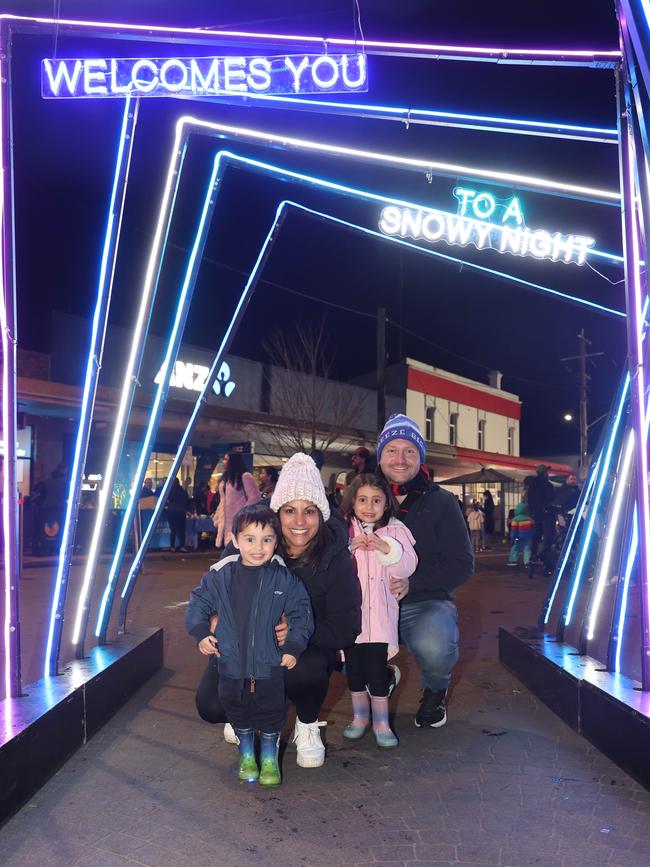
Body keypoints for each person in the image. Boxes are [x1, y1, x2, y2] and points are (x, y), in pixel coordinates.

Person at [194, 452, 360, 769]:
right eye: (289, 511)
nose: (299, 522)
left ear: (321, 514)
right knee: (211, 706)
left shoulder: (335, 556)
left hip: (306, 650)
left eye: (309, 511)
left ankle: (307, 723)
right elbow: (210, 595)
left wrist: (298, 629)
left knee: (306, 669)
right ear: (276, 513)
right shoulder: (251, 540)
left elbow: (346, 627)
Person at [185, 503, 314, 786]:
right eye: (250, 539)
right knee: (235, 707)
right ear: (235, 540)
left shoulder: (284, 579)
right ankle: (246, 755)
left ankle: (269, 758)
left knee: (271, 710)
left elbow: (301, 613)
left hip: (269, 664)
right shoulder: (221, 577)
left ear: (276, 542)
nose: (259, 547)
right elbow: (198, 603)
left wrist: (293, 646)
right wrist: (200, 632)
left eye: (267, 539)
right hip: (230, 662)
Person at [377, 414, 474, 728]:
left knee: (435, 644)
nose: (400, 459)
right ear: (380, 456)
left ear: (420, 457)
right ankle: (379, 674)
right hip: (372, 603)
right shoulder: (362, 498)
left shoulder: (442, 503)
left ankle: (435, 690)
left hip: (424, 599)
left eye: (409, 450)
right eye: (392, 450)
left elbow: (462, 563)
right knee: (334, 642)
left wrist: (411, 582)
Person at [341, 473, 417, 748]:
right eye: (362, 499)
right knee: (354, 670)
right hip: (352, 618)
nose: (369, 506)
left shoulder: (395, 531)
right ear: (352, 501)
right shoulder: (345, 529)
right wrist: (350, 548)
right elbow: (332, 564)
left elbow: (407, 566)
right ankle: (360, 717)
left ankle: (381, 722)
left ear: (387, 503)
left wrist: (386, 548)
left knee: (375, 668)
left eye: (376, 500)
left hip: (381, 617)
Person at [214, 452, 261, 548]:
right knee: (228, 550)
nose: (224, 462)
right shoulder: (226, 478)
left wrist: (242, 513)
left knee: (235, 548)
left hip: (239, 521)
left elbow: (255, 497)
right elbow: (223, 500)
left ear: (233, 461)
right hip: (225, 522)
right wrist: (217, 516)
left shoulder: (245, 476)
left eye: (226, 459)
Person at [526, 464, 556, 574]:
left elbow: (529, 501)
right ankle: (546, 563)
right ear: (545, 473)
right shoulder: (548, 486)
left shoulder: (532, 486)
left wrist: (532, 513)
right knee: (548, 540)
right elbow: (552, 500)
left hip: (535, 516)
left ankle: (533, 558)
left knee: (535, 538)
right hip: (547, 516)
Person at [166, 476, 190, 552]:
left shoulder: (169, 490)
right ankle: (182, 546)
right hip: (180, 512)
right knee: (181, 530)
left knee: (173, 530)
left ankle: (172, 546)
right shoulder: (181, 490)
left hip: (171, 511)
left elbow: (166, 501)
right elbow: (186, 500)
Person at [507, 501, 535, 568]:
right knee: (527, 549)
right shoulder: (530, 519)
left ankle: (513, 561)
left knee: (515, 548)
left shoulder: (515, 519)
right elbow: (533, 528)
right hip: (528, 537)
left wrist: (512, 538)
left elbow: (514, 530)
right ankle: (527, 562)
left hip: (518, 537)